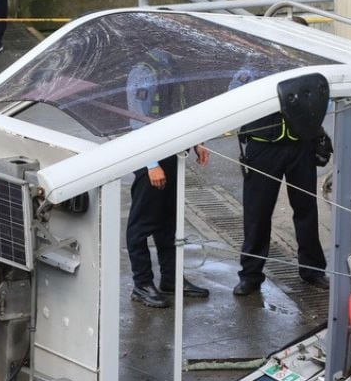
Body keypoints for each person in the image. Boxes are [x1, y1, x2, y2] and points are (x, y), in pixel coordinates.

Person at [231, 57, 329, 296]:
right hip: (264, 148)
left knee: (306, 209)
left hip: (300, 146)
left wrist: (318, 135)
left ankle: (313, 270)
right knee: (257, 214)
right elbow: (233, 96)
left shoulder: (305, 69)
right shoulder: (251, 68)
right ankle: (250, 276)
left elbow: (322, 100)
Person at [124, 48, 210, 309]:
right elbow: (137, 119)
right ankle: (142, 284)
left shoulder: (172, 65)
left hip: (173, 155)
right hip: (151, 159)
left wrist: (196, 141)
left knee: (168, 223)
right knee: (141, 225)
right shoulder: (143, 71)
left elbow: (180, 110)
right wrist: (152, 163)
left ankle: (171, 279)